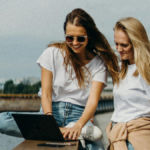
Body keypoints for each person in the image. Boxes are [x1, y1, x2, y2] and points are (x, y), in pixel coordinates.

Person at [0, 8, 119, 150]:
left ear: (89, 36)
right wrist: (49, 123)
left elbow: (92, 101)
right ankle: (63, 131)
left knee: (97, 147)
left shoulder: (98, 63)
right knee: (2, 121)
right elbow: (46, 93)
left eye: (80, 38)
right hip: (51, 112)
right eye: (70, 38)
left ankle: (69, 131)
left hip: (78, 116)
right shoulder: (52, 53)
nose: (75, 43)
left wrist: (79, 125)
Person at [106, 17, 150, 150]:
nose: (119, 49)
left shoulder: (146, 70)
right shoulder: (120, 69)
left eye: (124, 45)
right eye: (116, 44)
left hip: (138, 138)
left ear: (137, 43)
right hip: (118, 136)